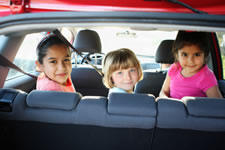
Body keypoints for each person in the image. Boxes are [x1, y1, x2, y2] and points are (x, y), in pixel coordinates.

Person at [159, 31, 223, 99]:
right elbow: (163, 91)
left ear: (204, 55)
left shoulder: (207, 76)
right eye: (185, 55)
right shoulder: (174, 68)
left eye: (197, 55)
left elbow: (217, 105)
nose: (191, 61)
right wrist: (164, 99)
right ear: (177, 54)